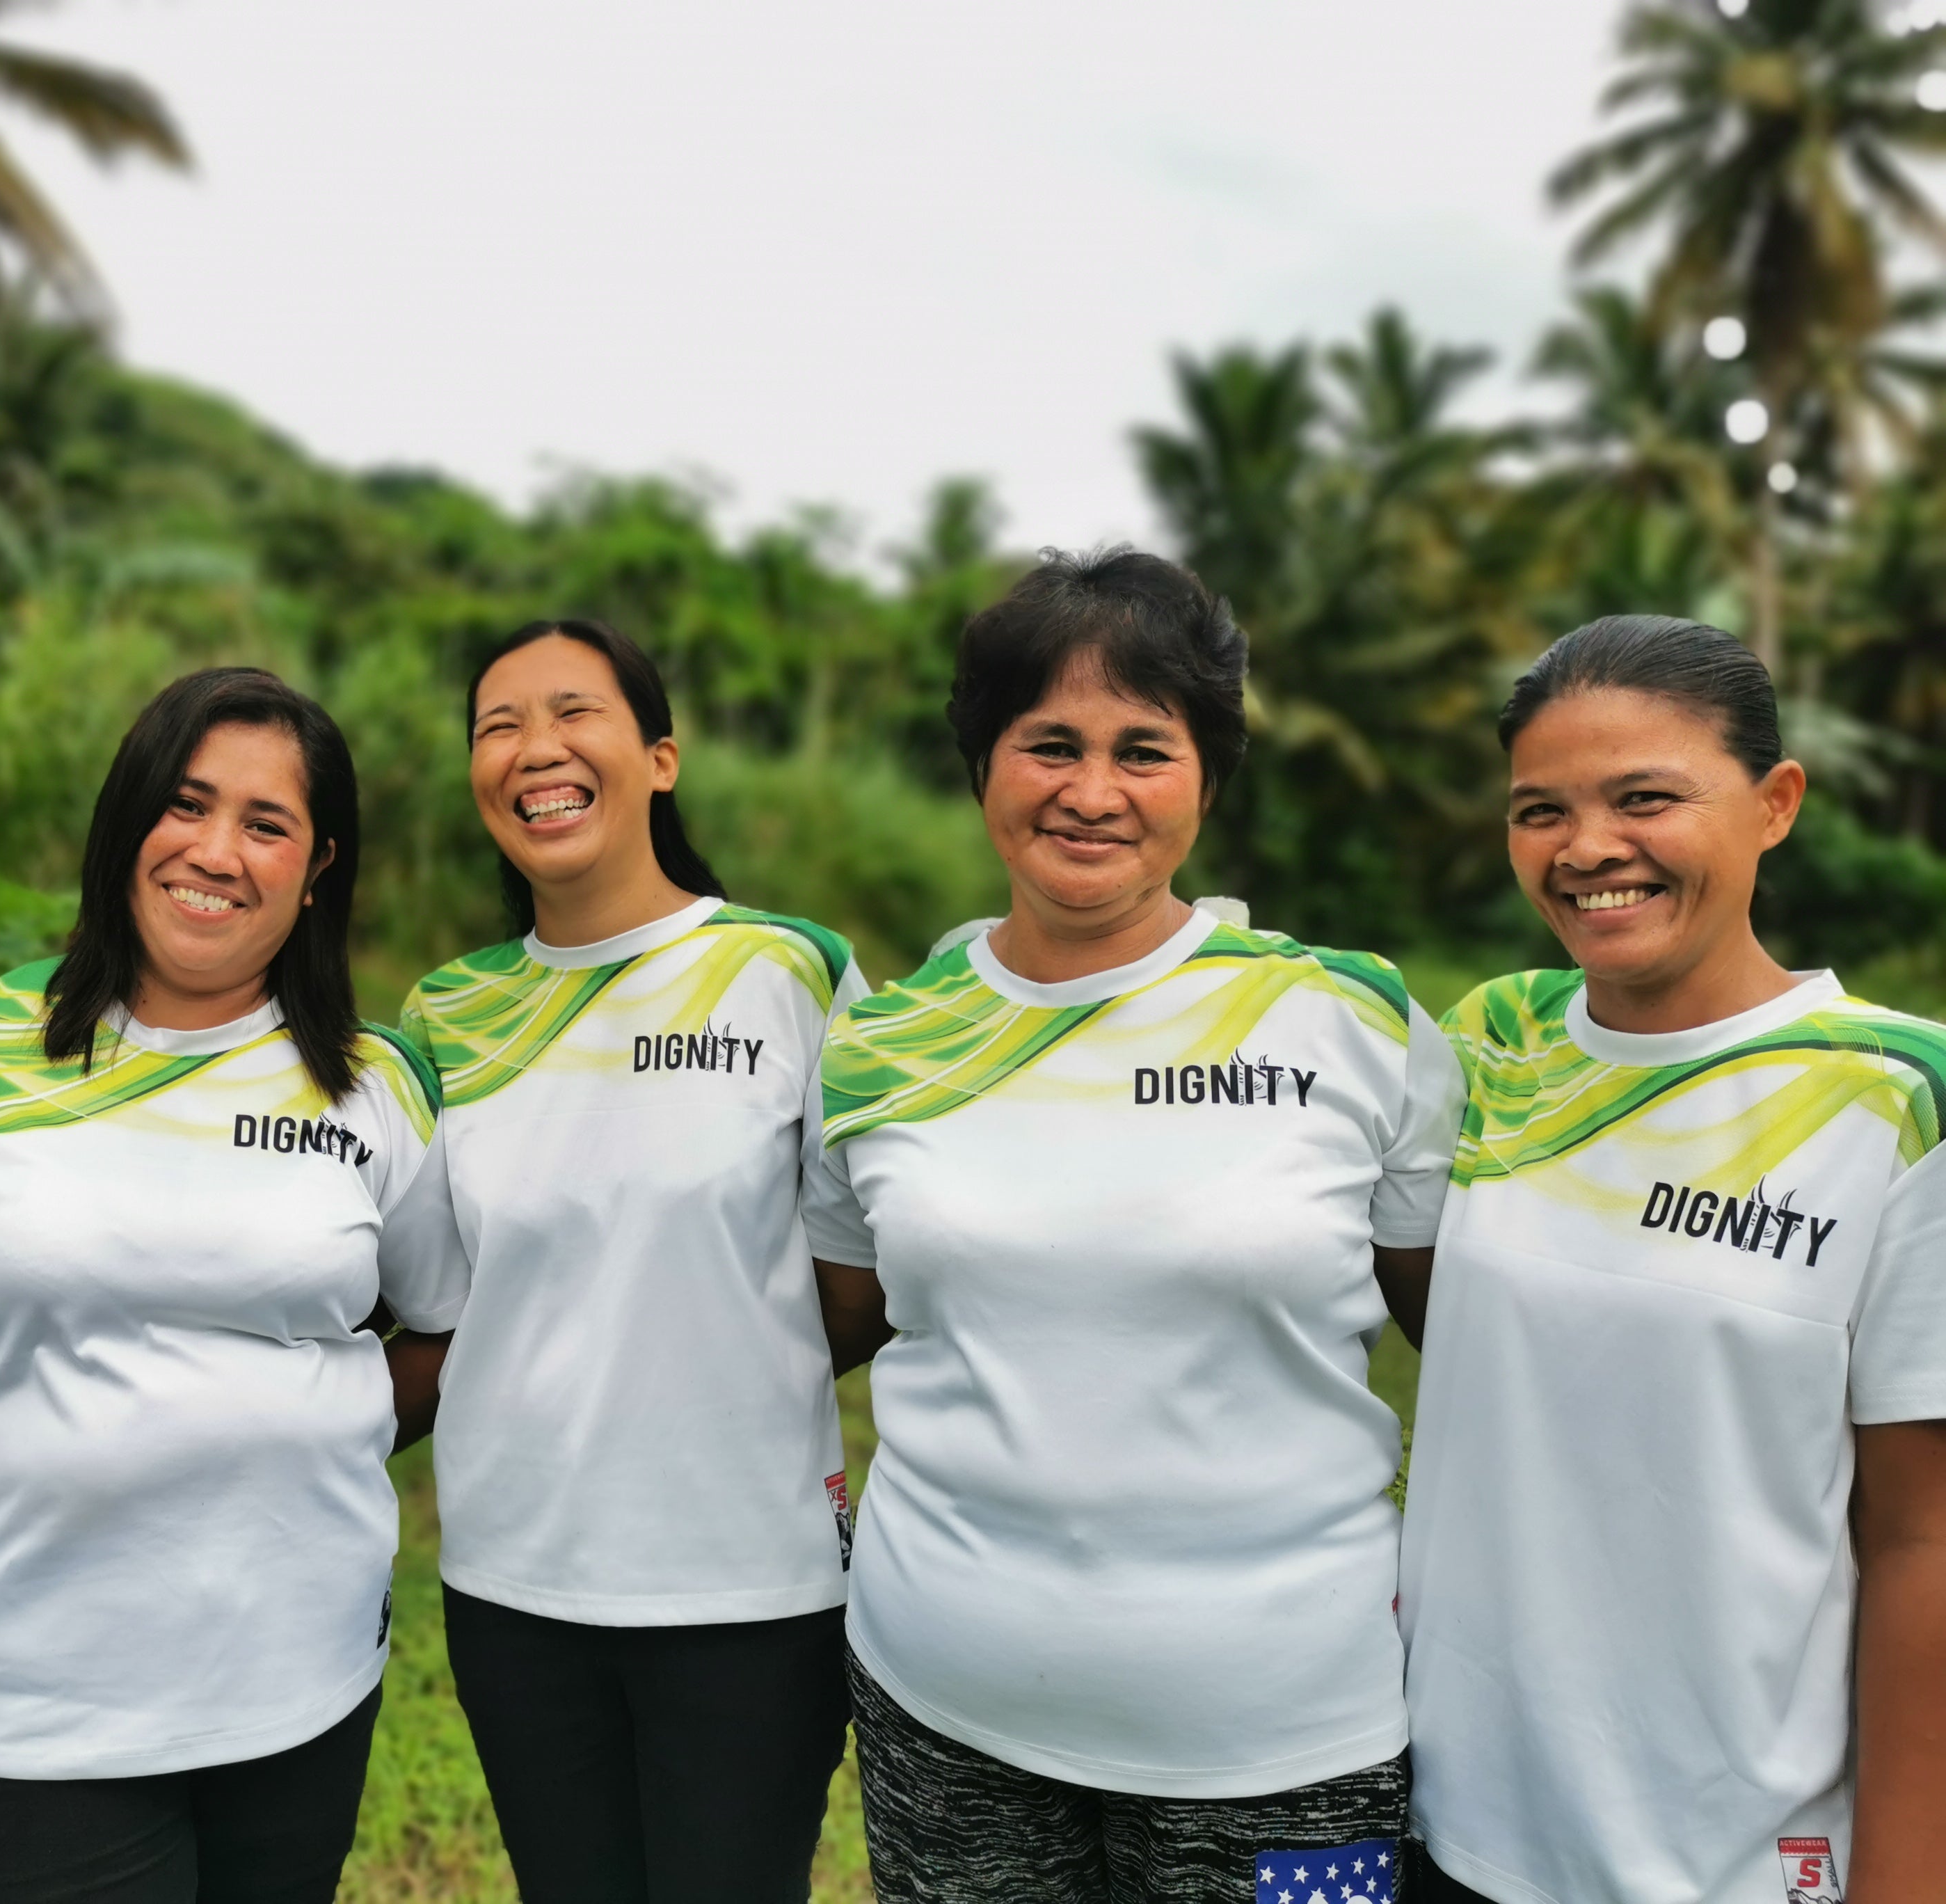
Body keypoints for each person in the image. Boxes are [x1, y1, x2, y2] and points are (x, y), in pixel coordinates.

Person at [803, 546, 1463, 1904]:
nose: (1091, 792)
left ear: (1207, 779)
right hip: (947, 1710)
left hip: (1289, 1734)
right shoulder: (883, 1039)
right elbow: (825, 1323)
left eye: (1142, 749)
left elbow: (1467, 1338)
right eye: (1048, 743)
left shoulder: (1352, 1018)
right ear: (982, 765)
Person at [0, 668, 466, 1904]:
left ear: (318, 869)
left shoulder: (374, 1088)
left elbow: (443, 1322)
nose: (217, 851)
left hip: (302, 1675)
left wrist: (333, 1428)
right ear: (127, 821)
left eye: (267, 825)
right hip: (35, 1687)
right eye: (186, 805)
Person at [1398, 617, 1946, 1904]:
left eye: (1646, 797)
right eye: (1543, 809)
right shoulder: (1492, 1046)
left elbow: (1925, 1541)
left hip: (1734, 1861)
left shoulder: (1896, 1099)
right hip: (1451, 1823)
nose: (1588, 848)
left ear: (1775, 804)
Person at [397, 618, 866, 1903]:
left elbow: (858, 1277)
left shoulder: (787, 971)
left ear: (660, 758)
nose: (534, 750)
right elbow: (436, 1295)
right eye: (499, 727)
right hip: (515, 1583)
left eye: (573, 713)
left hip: (746, 1587)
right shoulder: (447, 1014)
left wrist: (721, 1353)